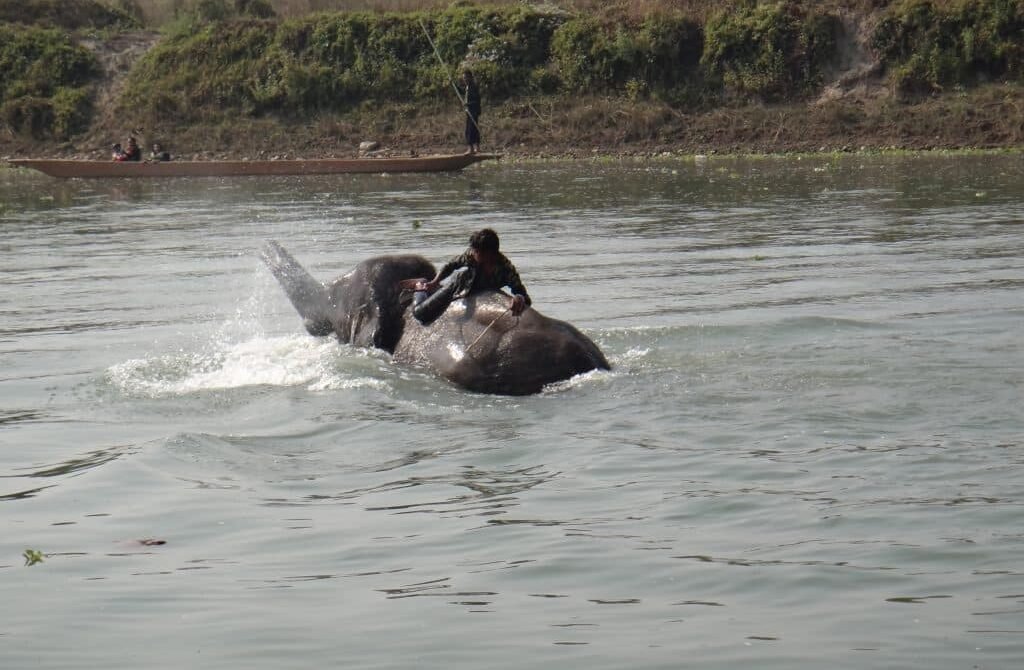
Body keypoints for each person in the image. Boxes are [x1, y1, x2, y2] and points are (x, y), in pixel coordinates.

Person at [412, 228, 529, 324]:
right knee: (420, 314)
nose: (473, 253)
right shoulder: (471, 256)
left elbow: (523, 294)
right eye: (474, 250)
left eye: (477, 251)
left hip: (483, 293)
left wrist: (519, 297)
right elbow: (451, 265)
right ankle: (420, 287)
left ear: (489, 253)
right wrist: (434, 282)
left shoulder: (506, 269)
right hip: (458, 285)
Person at [461, 70, 481, 155]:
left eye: (466, 78)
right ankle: (476, 148)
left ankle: (471, 149)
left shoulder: (473, 87)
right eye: (463, 78)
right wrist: (453, 84)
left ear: (470, 77)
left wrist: (467, 104)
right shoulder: (468, 87)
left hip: (473, 111)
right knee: (473, 130)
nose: (464, 80)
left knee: (470, 130)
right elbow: (461, 92)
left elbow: (477, 101)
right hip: (470, 111)